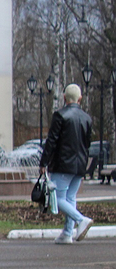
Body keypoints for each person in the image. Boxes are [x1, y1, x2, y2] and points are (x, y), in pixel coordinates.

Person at [40, 84, 95, 244]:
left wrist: (44, 162)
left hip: (63, 164)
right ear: (80, 99)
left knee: (57, 198)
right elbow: (87, 143)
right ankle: (67, 233)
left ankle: (81, 220)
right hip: (80, 165)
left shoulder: (60, 115)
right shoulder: (87, 118)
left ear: (64, 98)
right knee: (70, 198)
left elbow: (52, 141)